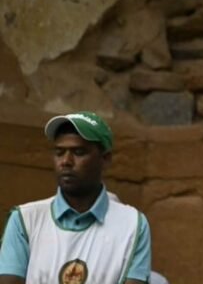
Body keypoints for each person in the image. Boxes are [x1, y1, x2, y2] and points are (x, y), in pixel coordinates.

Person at [0, 111, 152, 284]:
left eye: (78, 152)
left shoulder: (132, 224)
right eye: (59, 152)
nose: (66, 161)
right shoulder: (25, 220)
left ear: (105, 159)